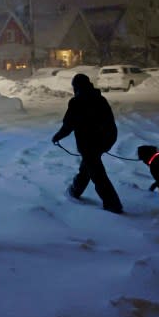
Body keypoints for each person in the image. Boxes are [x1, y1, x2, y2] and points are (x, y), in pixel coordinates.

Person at [52, 73, 124, 214]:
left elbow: (68, 125)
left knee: (97, 174)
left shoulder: (77, 102)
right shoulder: (100, 99)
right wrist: (107, 141)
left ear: (76, 87)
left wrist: (57, 136)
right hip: (105, 140)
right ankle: (75, 190)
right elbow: (110, 122)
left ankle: (113, 204)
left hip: (89, 143)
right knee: (88, 167)